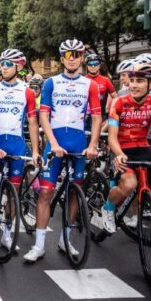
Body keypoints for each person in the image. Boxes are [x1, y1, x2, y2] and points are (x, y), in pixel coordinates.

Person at [23, 39, 101, 263]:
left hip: (78, 143)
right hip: (55, 143)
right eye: (68, 55)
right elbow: (43, 116)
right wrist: (53, 143)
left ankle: (65, 240)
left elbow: (97, 117)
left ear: (82, 57)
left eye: (76, 54)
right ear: (62, 58)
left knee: (75, 192)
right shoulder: (51, 83)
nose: (72, 58)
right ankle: (39, 246)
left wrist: (93, 145)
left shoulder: (90, 85)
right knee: (45, 193)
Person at [0, 49, 40, 251]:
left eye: (8, 64)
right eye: (2, 63)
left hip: (16, 146)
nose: (3, 67)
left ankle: (7, 233)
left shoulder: (27, 92)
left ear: (19, 66)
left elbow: (33, 123)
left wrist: (35, 152)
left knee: (14, 193)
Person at [99, 62, 151, 234]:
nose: (133, 85)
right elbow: (112, 137)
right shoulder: (119, 102)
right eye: (132, 80)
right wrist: (118, 154)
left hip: (143, 147)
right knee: (129, 184)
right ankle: (108, 208)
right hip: (121, 148)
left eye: (139, 81)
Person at [85, 53, 116, 119]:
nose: (93, 66)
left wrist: (111, 110)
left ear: (99, 65)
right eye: (90, 64)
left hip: (102, 114)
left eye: (96, 64)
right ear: (87, 66)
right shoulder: (83, 80)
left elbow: (115, 97)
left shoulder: (106, 80)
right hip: (85, 115)